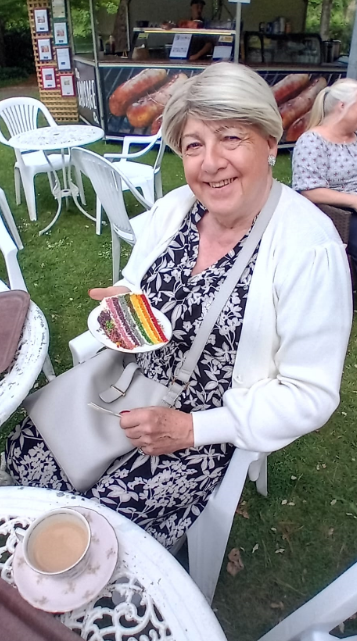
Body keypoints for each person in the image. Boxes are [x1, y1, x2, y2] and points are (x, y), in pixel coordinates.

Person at [5, 63, 352, 550]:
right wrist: (120, 304)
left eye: (231, 138)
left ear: (271, 144)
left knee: (100, 531)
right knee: (27, 456)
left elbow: (310, 394)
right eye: (193, 145)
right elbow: (134, 285)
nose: (210, 163)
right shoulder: (175, 209)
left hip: (207, 427)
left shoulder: (308, 248)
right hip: (124, 382)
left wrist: (192, 429)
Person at [292, 78, 357, 269]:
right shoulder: (312, 141)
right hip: (339, 212)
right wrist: (353, 200)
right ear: (342, 106)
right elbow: (309, 191)